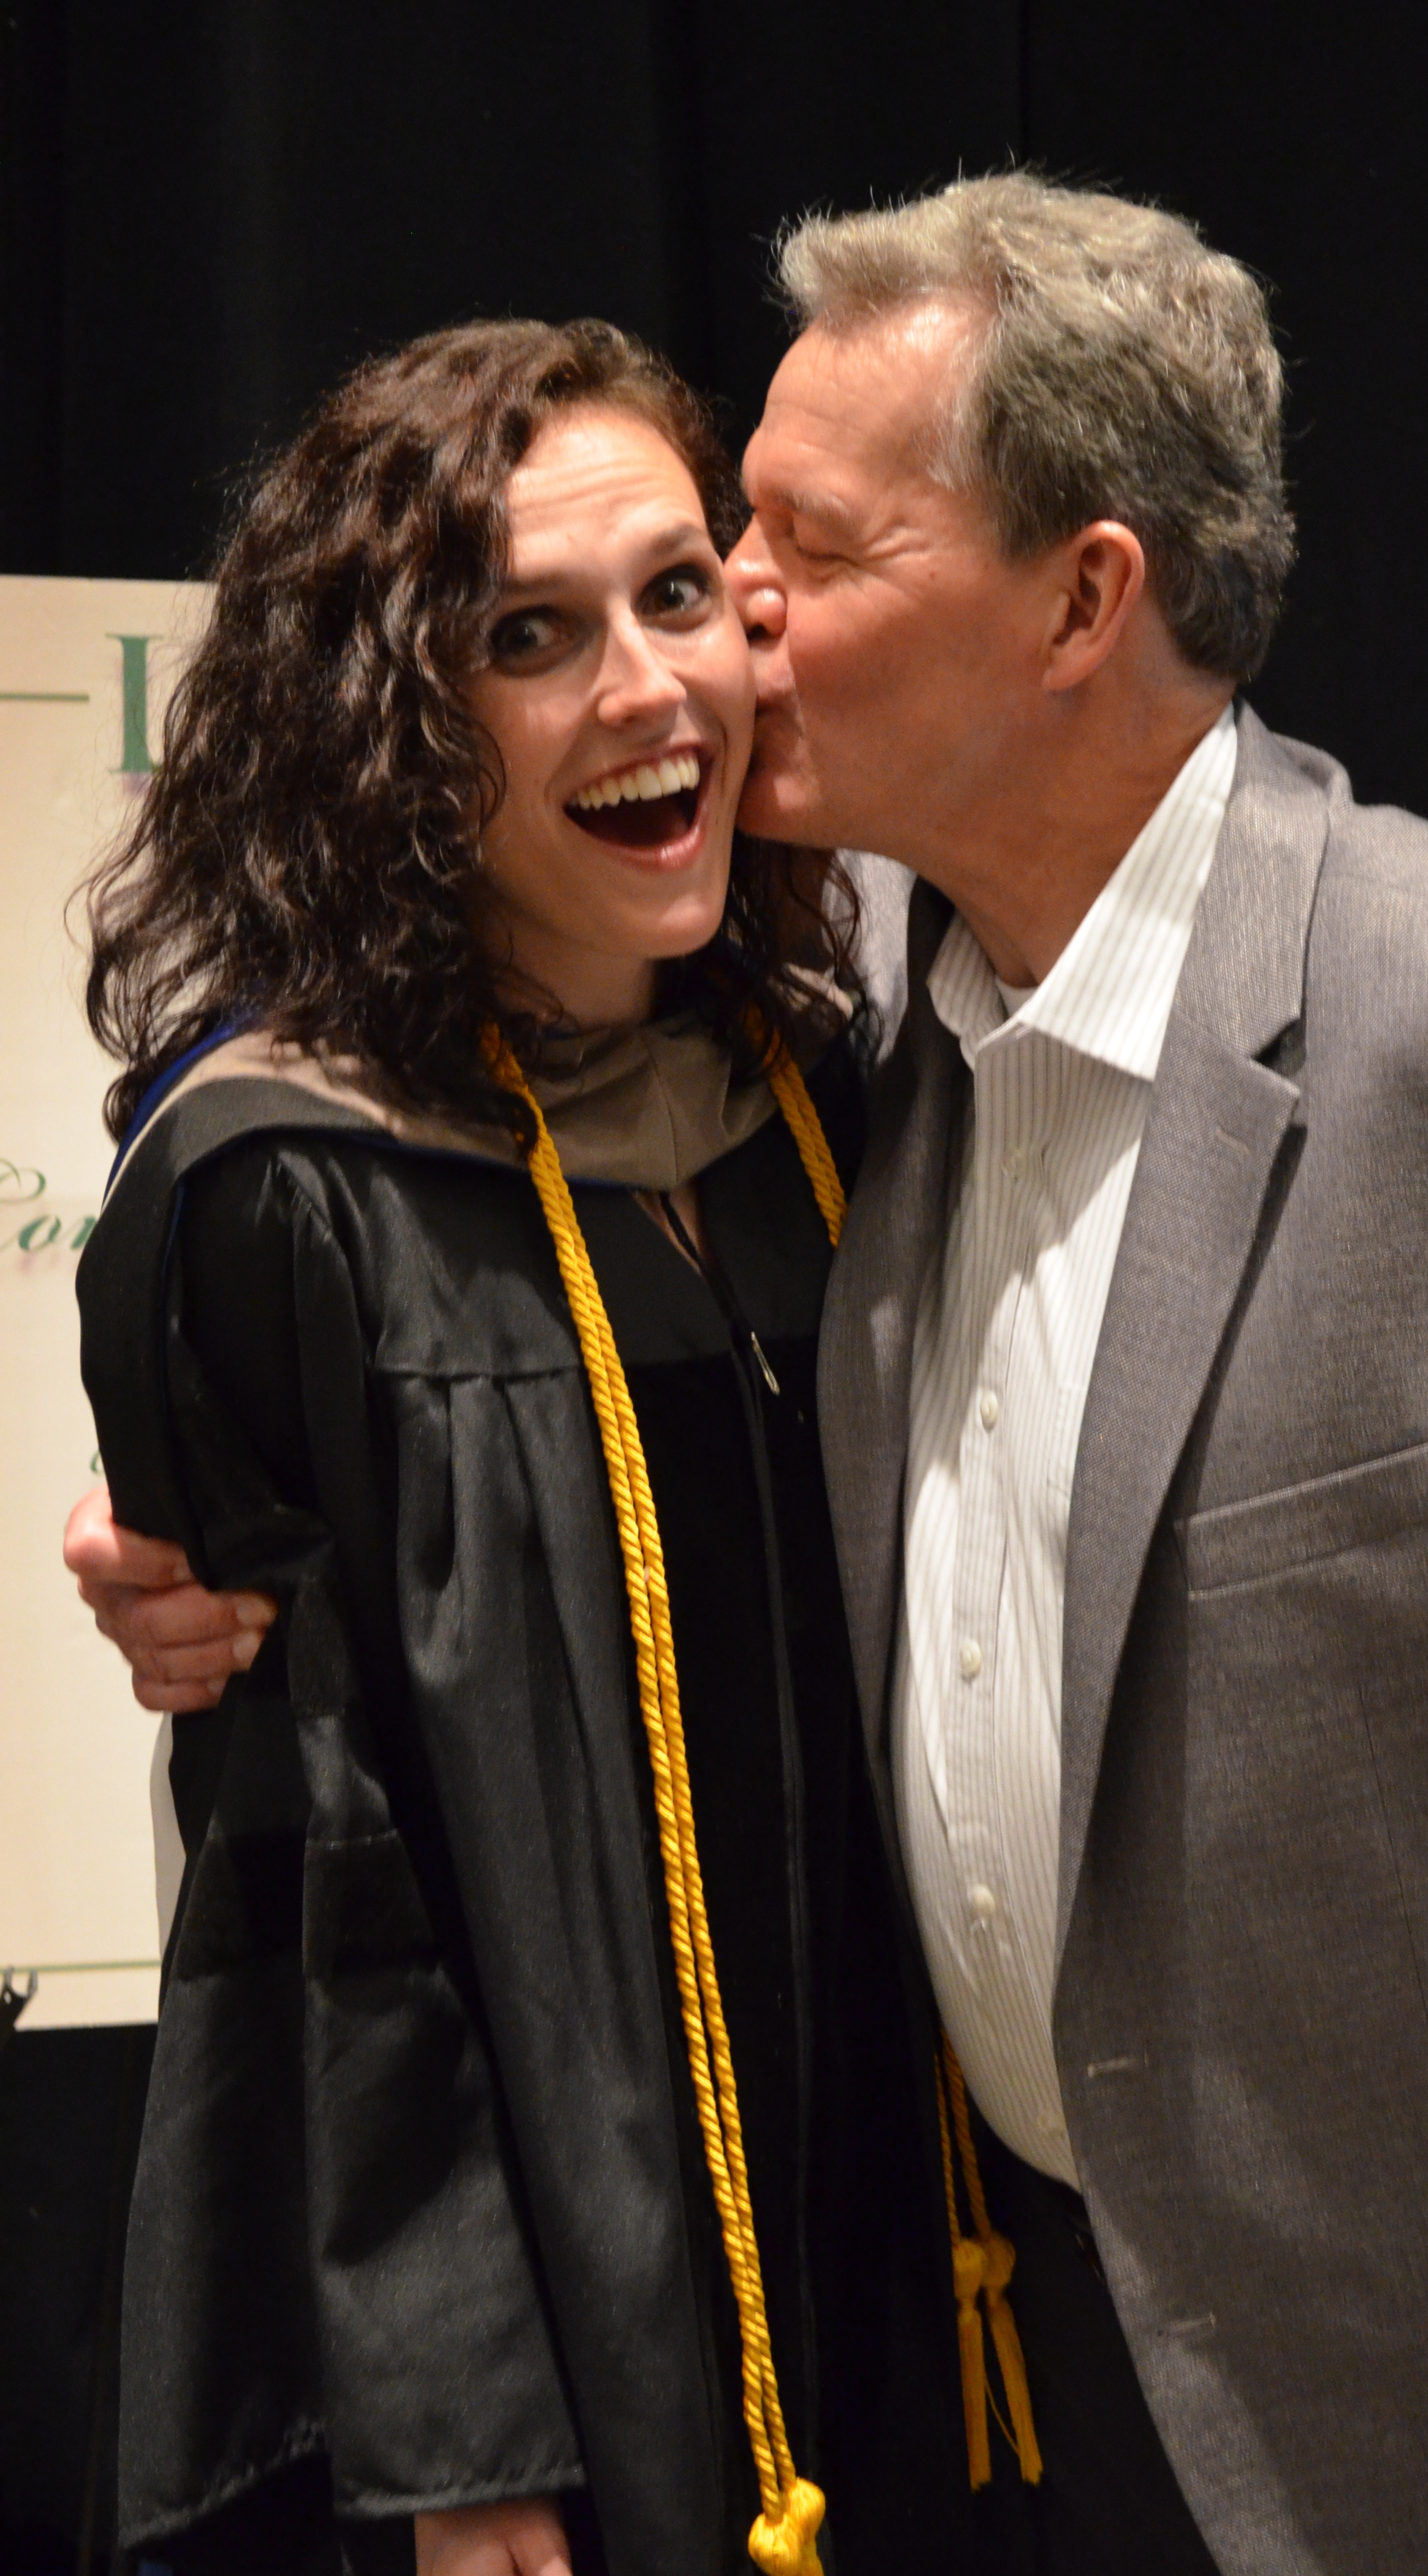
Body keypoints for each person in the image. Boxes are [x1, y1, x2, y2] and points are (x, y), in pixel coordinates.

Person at [75, 169, 1428, 2574]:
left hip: (1298, 2412)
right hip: (791, 2376)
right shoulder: (705, 1097)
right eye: (583, 608)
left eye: (782, 558)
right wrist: (224, 1558)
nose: (722, 631)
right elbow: (344, 1852)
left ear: (1083, 600)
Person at [72, 317, 991, 2576]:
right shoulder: (284, 1195)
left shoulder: (837, 1096)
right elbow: (313, 1865)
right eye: (527, 636)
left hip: (920, 2236)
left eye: (679, 594)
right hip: (561, 2318)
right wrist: (454, 2416)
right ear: (390, 723)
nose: (647, 689)